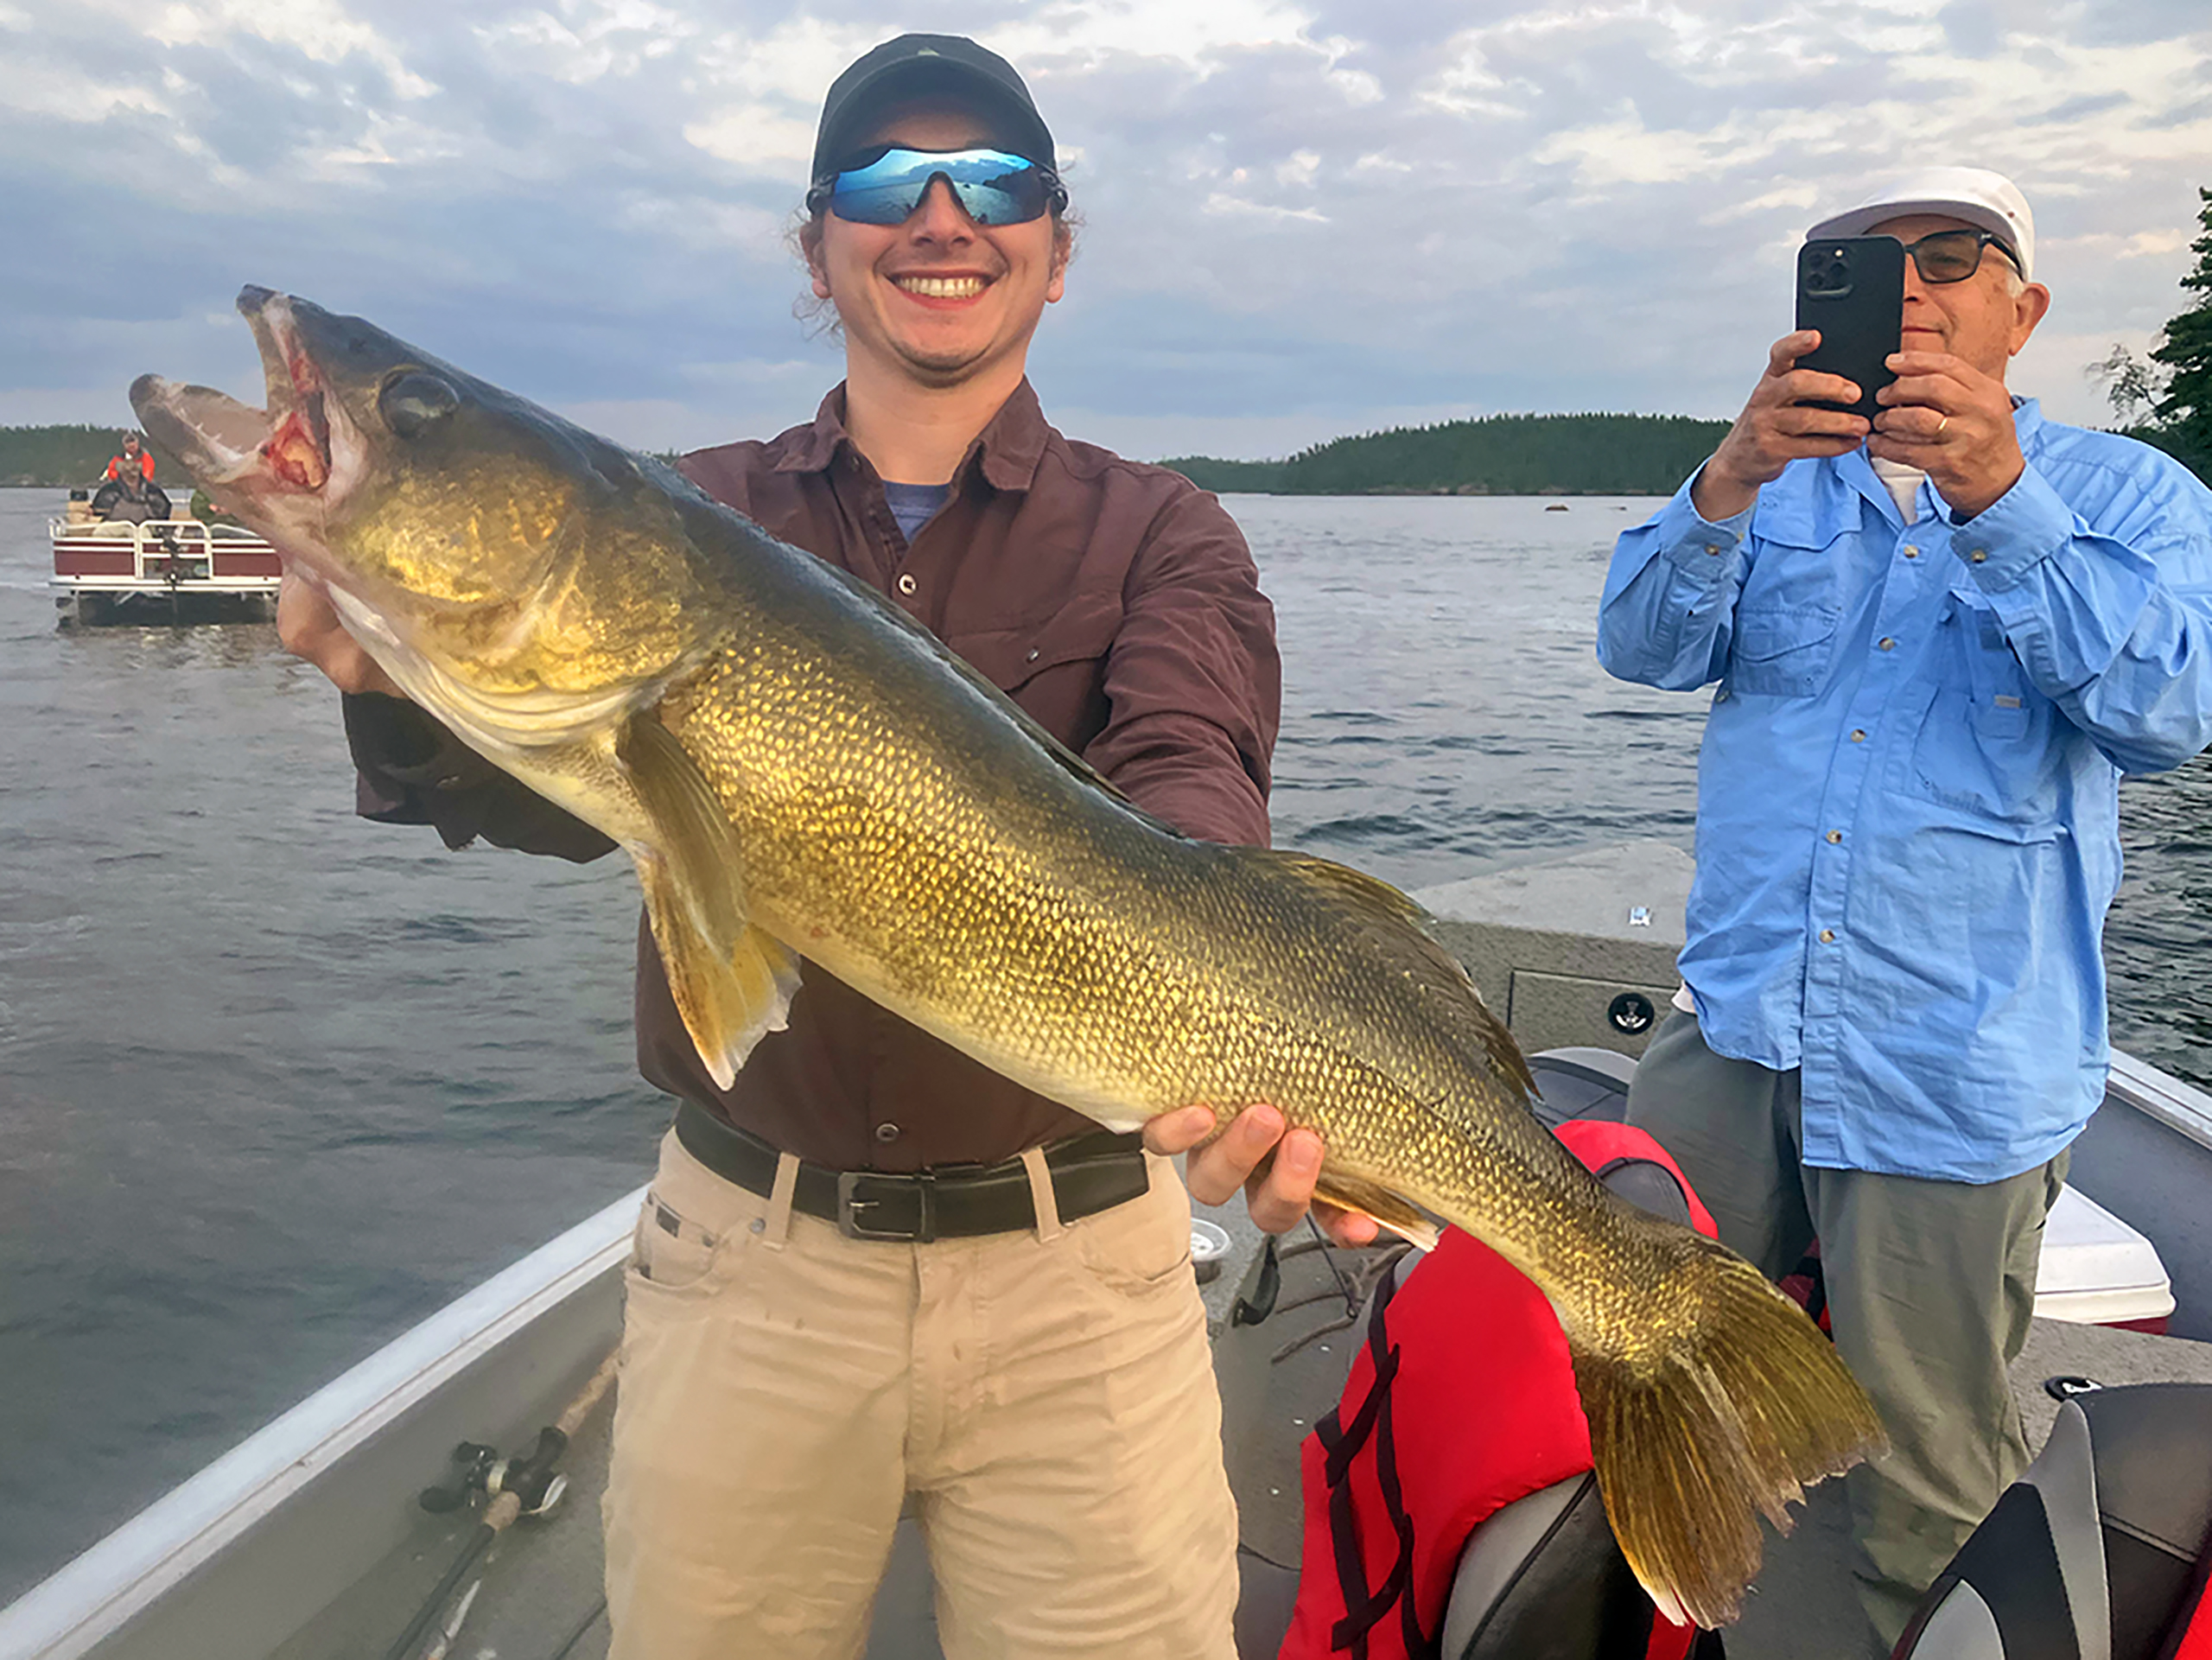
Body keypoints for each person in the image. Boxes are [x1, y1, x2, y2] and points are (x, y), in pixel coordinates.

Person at [279, 32, 1368, 1658]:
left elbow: (1192, 770)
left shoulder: (1165, 528)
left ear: (1058, 252)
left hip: (1087, 1283)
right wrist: (389, 671)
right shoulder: (685, 509)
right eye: (880, 183)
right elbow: (528, 796)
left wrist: (1262, 1059)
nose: (940, 216)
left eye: (994, 182)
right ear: (816, 248)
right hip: (746, 1267)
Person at [1597, 166, 2212, 1652]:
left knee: (1927, 1472)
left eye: (1953, 255)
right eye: (1864, 264)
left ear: (2026, 307)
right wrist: (1724, 480)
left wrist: (2000, 500)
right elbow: (1642, 642)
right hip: (1733, 1031)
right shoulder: (1766, 481)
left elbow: (2168, 708)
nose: (1913, 286)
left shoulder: (2134, 497)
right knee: (1648, 1399)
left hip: (1955, 1065)